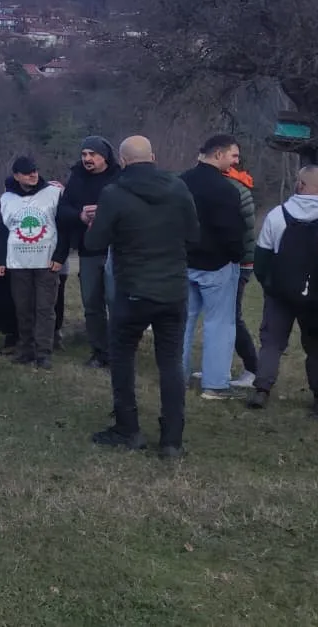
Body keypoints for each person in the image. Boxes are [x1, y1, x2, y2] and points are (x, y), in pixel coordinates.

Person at [87, 136, 200, 459]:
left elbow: (96, 242)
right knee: (170, 362)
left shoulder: (114, 194)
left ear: (122, 161)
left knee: (122, 358)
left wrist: (92, 222)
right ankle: (172, 440)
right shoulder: (178, 188)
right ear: (153, 156)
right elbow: (194, 234)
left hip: (132, 290)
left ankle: (128, 429)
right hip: (173, 291)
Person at [247, 165, 318, 411]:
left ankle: (262, 388)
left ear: (300, 184)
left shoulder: (277, 215)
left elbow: (261, 258)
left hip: (280, 293)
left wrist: (269, 284)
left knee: (272, 342)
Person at [180, 134, 247, 400]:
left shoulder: (180, 183)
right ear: (218, 154)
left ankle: (177, 376)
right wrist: (237, 255)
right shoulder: (226, 190)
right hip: (217, 265)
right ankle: (215, 384)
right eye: (234, 155)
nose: (236, 161)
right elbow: (232, 230)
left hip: (184, 261)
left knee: (182, 322)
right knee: (220, 323)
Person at [0, 156, 68, 367]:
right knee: (23, 308)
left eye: (35, 170)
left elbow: (63, 227)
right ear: (17, 176)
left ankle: (43, 352)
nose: (33, 175)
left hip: (46, 261)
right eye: (27, 172)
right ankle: (25, 348)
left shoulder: (54, 193)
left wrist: (59, 256)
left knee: (45, 308)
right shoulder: (7, 199)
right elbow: (1, 231)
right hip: (18, 262)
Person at [58, 136, 121, 368]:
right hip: (88, 250)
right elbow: (62, 210)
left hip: (116, 249)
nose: (87, 159)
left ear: (104, 156)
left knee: (116, 302)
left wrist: (104, 213)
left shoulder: (119, 177)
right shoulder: (77, 178)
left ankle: (120, 351)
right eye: (84, 154)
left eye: (92, 154)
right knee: (92, 304)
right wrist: (80, 216)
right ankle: (99, 351)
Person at [224, 163, 261, 388]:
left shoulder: (234, 188)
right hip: (235, 260)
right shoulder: (235, 185)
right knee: (221, 318)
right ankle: (220, 366)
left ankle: (252, 368)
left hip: (238, 262)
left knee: (231, 317)